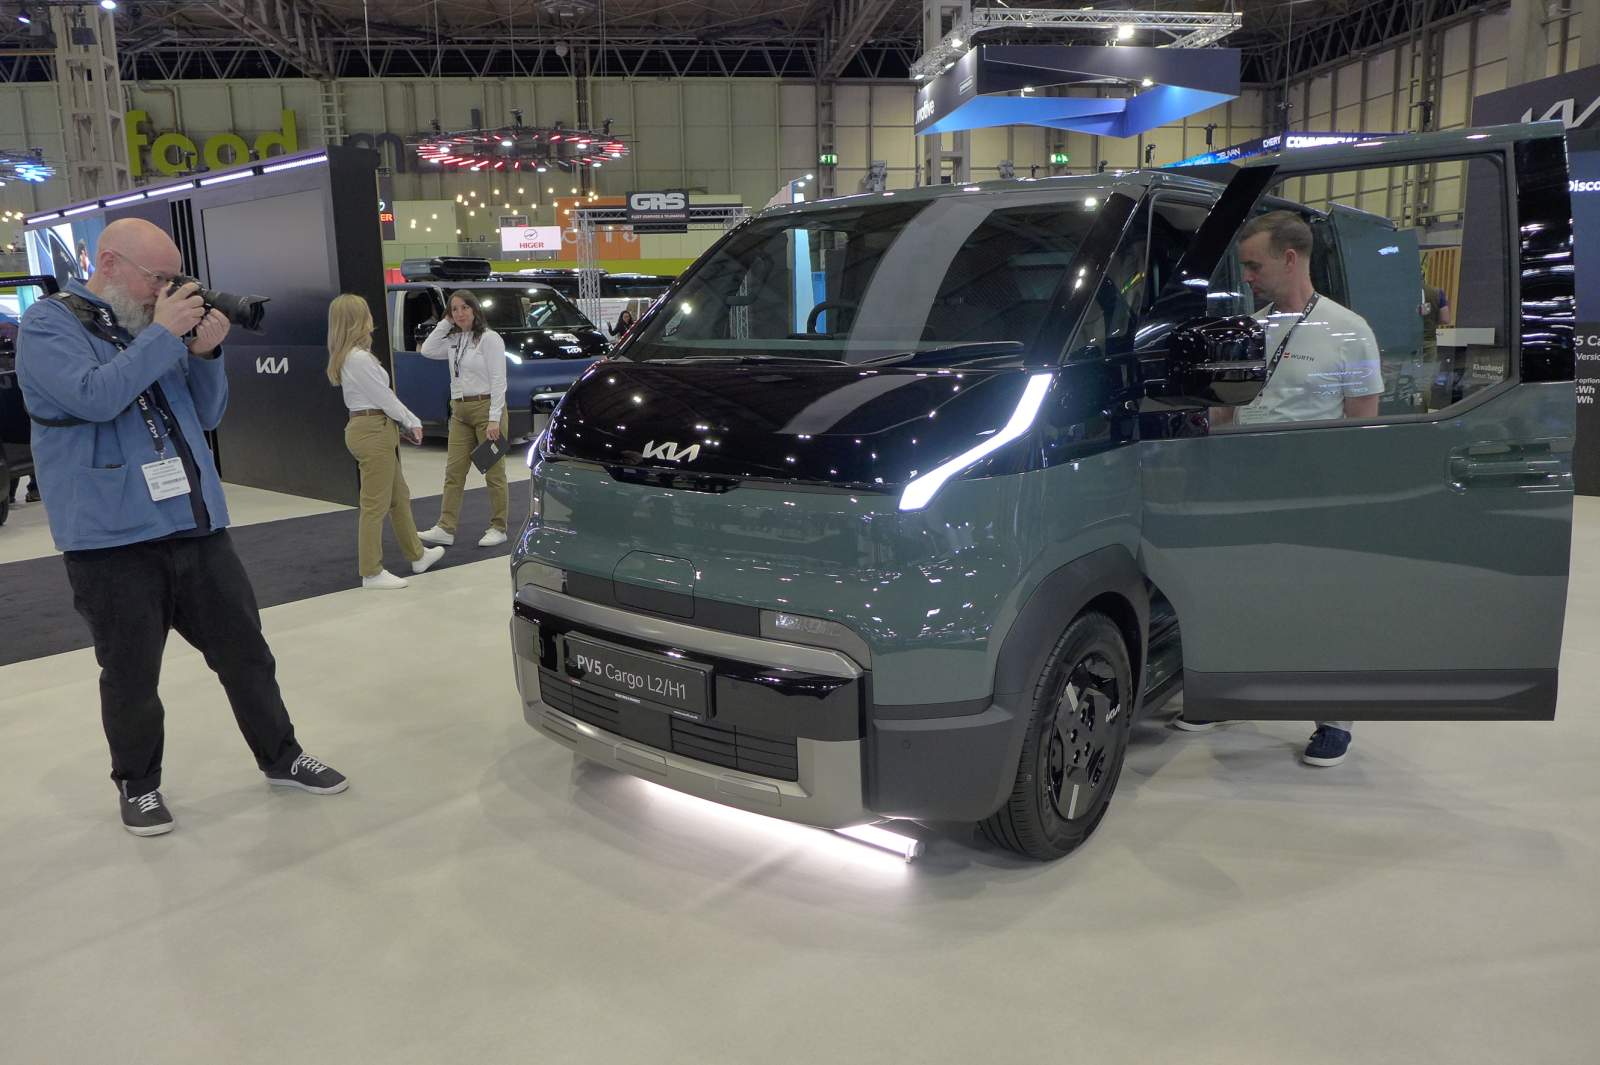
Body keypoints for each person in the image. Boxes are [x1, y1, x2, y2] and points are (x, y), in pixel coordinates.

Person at [15, 218, 348, 836]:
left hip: (195, 525)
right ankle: (138, 785)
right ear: (109, 264)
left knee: (247, 655)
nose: (166, 289)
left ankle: (281, 756)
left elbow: (208, 414)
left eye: (174, 278)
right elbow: (93, 398)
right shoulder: (49, 324)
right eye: (158, 277)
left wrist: (207, 356)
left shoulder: (150, 327)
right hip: (112, 539)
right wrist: (164, 335)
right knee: (132, 675)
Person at [1175, 210, 1386, 768]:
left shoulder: (1348, 330)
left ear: (1290, 259)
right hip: (1246, 489)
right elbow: (1225, 411)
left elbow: (1362, 422)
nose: (1246, 277)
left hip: (1314, 494)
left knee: (1320, 605)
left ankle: (1333, 718)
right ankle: (1227, 695)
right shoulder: (1249, 330)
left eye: (1254, 266)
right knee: (1240, 597)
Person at [326, 294, 445, 590]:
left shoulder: (352, 356)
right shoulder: (358, 358)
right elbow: (384, 397)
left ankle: (417, 555)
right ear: (357, 319)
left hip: (374, 427)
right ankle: (371, 571)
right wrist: (412, 420)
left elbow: (381, 398)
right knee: (375, 504)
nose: (371, 319)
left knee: (398, 497)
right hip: (372, 430)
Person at [415, 289, 510, 549]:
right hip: (459, 412)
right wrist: (446, 322)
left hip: (486, 410)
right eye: (454, 309)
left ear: (475, 309)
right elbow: (427, 350)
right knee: (454, 472)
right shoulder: (454, 339)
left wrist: (494, 419)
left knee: (493, 472)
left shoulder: (490, 339)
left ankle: (499, 527)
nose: (459, 313)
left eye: (464, 308)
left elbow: (499, 381)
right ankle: (445, 527)